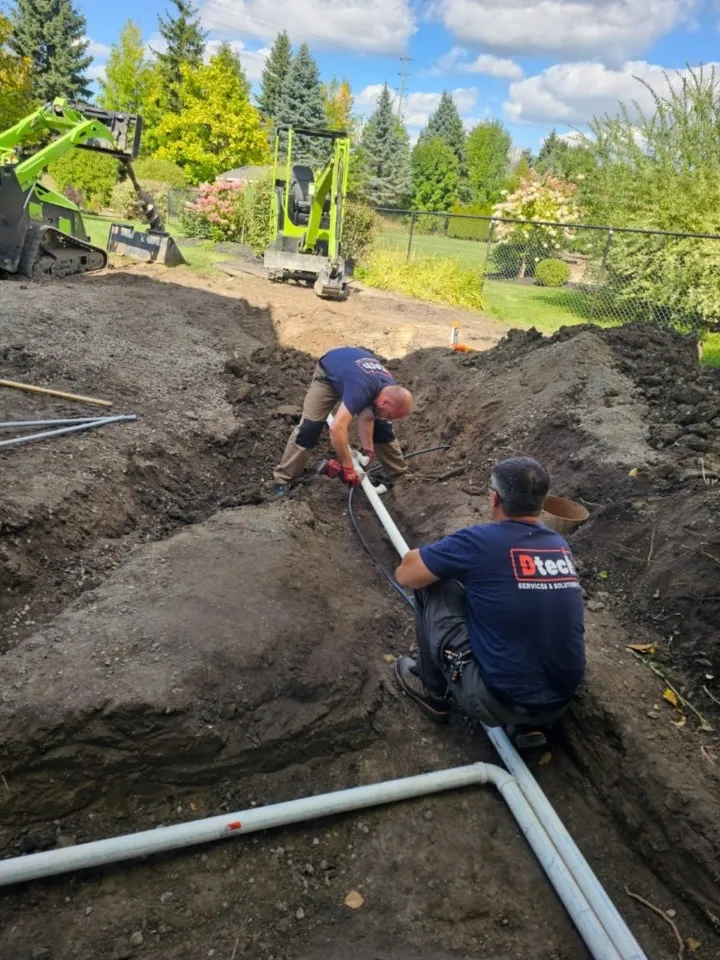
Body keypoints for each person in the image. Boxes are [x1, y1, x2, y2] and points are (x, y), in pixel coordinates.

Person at [393, 456, 585, 746]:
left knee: (433, 585)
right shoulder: (560, 546)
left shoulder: (479, 541)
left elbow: (407, 575)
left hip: (497, 699)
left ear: (495, 498)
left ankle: (432, 693)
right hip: (559, 699)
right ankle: (527, 727)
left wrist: (425, 556)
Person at [272, 346, 413, 497]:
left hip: (352, 372)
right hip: (328, 375)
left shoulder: (388, 387)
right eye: (390, 415)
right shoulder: (363, 388)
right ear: (385, 402)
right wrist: (348, 467)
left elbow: (369, 416)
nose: (389, 418)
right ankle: (283, 480)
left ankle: (399, 476)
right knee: (309, 429)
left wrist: (368, 448)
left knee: (382, 427)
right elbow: (336, 428)